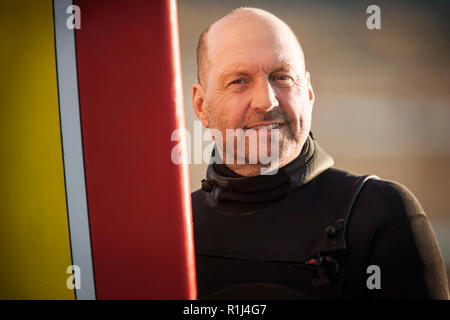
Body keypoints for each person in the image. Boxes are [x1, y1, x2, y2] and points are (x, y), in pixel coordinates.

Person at [190, 7, 449, 299]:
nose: (266, 100)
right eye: (239, 81)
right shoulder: (177, 232)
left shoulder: (380, 215)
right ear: (201, 105)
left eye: (282, 77)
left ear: (308, 94)